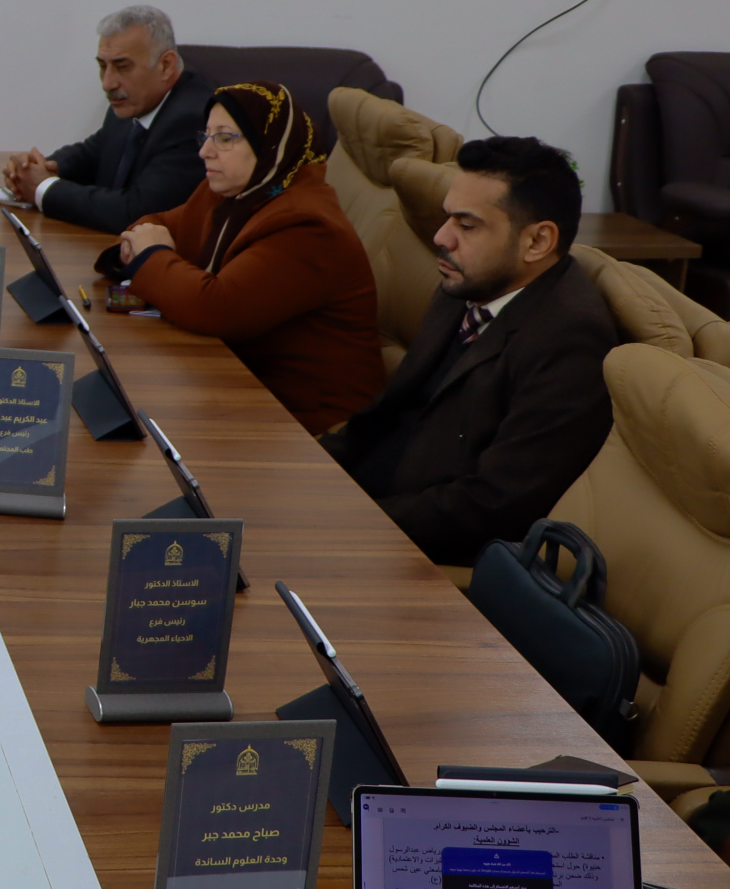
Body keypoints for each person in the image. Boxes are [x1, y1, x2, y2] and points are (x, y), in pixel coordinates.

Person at [320, 136, 619, 568]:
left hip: (419, 554)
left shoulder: (571, 340)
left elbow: (494, 505)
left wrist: (348, 520)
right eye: (448, 218)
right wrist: (308, 469)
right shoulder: (468, 286)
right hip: (364, 503)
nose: (441, 237)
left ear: (538, 241)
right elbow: (388, 414)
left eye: (467, 225)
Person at [98, 82, 384, 434]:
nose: (205, 151)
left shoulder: (307, 225)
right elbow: (159, 224)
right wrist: (138, 248)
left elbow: (216, 308)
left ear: (269, 145)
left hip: (311, 427)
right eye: (206, 136)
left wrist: (150, 255)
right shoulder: (236, 191)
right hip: (242, 388)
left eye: (224, 138)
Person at [3, 5, 213, 234]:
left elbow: (136, 214)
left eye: (122, 67)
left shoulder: (194, 119)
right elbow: (92, 154)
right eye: (103, 66)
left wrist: (43, 187)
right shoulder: (134, 103)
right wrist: (35, 169)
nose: (107, 83)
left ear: (166, 65)